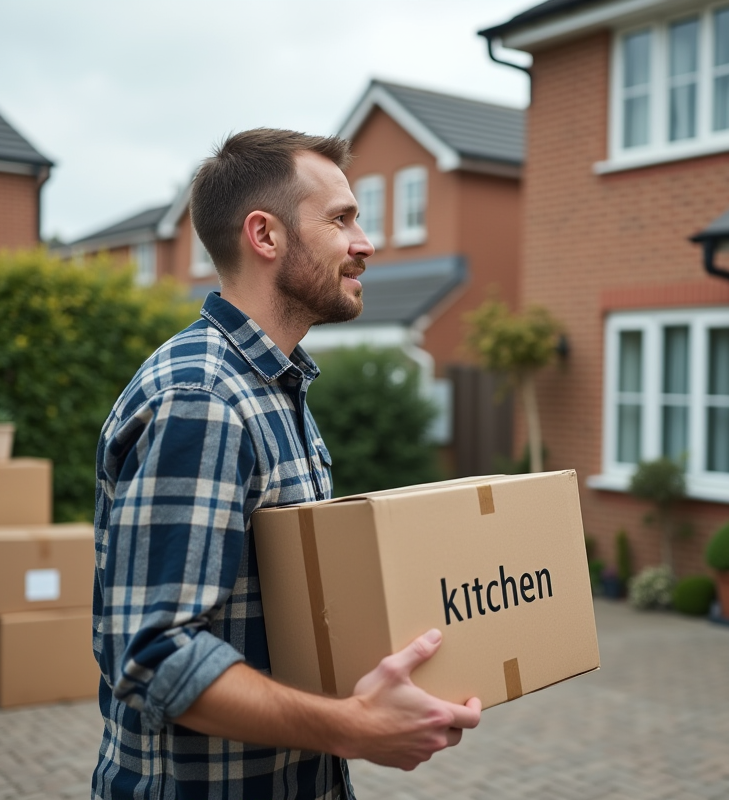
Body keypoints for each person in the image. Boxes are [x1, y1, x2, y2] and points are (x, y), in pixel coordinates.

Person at [91, 129, 481, 800]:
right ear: (265, 237)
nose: (367, 242)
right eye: (341, 219)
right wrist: (351, 727)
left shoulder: (275, 386)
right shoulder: (203, 398)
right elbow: (156, 657)